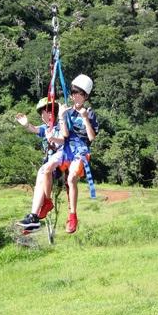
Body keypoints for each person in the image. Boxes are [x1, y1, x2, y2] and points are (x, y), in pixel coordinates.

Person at [15, 97, 68, 232]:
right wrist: (26, 124)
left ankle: (47, 201)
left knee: (45, 169)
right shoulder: (45, 128)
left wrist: (53, 138)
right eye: (43, 113)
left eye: (49, 112)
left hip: (63, 158)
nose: (46, 116)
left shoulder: (61, 124)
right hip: (52, 162)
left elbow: (64, 139)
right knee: (40, 175)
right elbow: (35, 129)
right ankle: (33, 217)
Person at [59, 74, 99, 234]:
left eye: (80, 94)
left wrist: (85, 119)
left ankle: (73, 216)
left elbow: (91, 138)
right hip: (66, 149)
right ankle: (41, 208)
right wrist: (61, 117)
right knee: (45, 171)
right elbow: (64, 135)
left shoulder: (90, 113)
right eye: (74, 93)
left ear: (85, 97)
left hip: (81, 151)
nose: (76, 97)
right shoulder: (67, 112)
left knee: (71, 178)